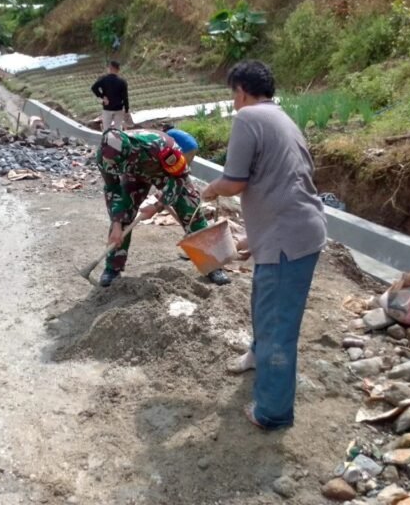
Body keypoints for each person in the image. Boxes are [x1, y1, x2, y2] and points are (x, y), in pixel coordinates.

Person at [201, 60, 327, 431]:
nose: (234, 104)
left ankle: (272, 412)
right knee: (263, 300)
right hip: (292, 230)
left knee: (278, 327)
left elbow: (235, 180)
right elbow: (280, 181)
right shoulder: (280, 117)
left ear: (240, 91)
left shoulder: (247, 118)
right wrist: (252, 238)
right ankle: (257, 355)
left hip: (289, 239)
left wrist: (210, 189)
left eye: (233, 96)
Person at [98, 128, 230, 288]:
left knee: (190, 210)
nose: (117, 166)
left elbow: (180, 176)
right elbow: (113, 190)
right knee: (122, 217)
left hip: (168, 174)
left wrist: (157, 205)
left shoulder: (160, 145)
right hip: (134, 176)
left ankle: (213, 265)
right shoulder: (105, 158)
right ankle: (113, 268)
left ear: (130, 149)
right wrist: (117, 222)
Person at [91, 61, 130, 131]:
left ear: (110, 68)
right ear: (118, 70)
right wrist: (126, 110)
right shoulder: (122, 82)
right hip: (118, 109)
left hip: (107, 108)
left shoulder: (103, 79)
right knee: (118, 130)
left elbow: (94, 88)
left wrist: (102, 97)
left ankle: (107, 141)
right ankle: (118, 141)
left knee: (106, 130)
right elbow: (125, 97)